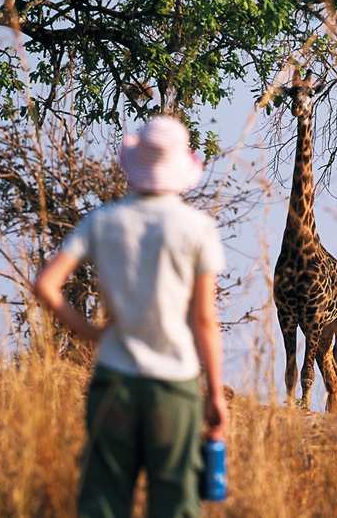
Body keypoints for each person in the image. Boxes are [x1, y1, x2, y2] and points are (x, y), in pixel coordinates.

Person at [33, 116, 228, 518]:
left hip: (115, 379)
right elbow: (205, 320)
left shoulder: (103, 221)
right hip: (175, 386)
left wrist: (89, 332)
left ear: (135, 163)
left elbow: (46, 285)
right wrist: (214, 393)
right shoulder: (197, 228)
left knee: (104, 500)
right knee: (175, 502)